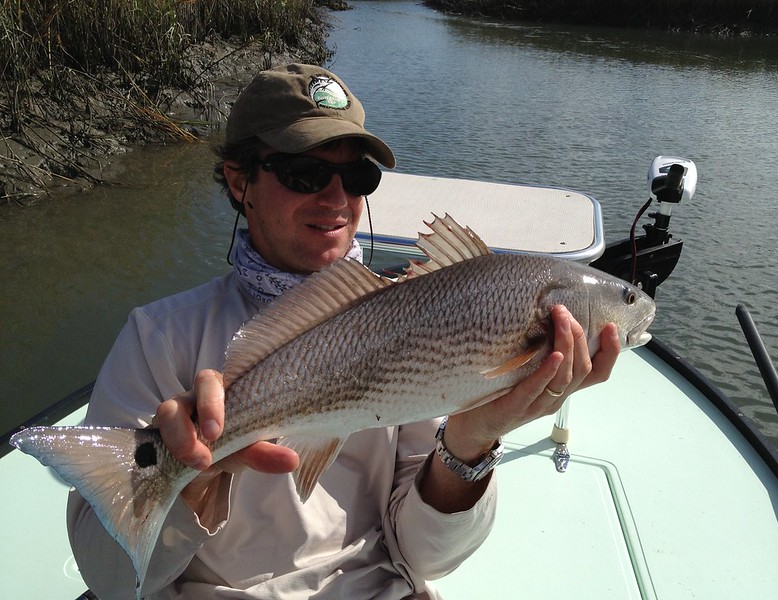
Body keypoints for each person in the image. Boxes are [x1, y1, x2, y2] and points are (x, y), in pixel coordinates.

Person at [67, 63, 621, 599]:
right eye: (303, 174)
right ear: (240, 182)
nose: (336, 199)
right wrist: (188, 482)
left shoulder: (422, 315)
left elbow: (425, 559)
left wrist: (472, 441)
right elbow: (113, 581)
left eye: (357, 177)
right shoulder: (159, 338)